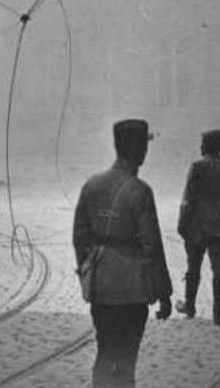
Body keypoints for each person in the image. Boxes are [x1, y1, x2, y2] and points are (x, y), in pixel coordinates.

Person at [73, 119, 174, 388]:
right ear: (139, 149)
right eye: (144, 146)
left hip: (101, 285)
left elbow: (79, 237)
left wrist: (88, 272)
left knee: (105, 350)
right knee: (126, 357)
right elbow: (153, 246)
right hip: (131, 287)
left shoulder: (92, 185)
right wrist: (163, 292)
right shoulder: (141, 192)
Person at [177, 129, 220, 325]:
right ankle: (218, 314)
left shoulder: (197, 167)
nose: (200, 146)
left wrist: (182, 224)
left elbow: (188, 199)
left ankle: (190, 306)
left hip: (197, 225)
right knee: (219, 268)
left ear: (206, 145)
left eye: (202, 142)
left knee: (193, 267)